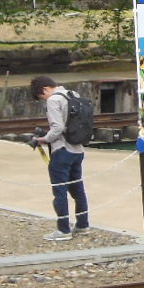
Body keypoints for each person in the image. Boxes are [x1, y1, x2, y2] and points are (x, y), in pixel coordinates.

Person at [29, 75, 88, 240]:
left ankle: (63, 230)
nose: (44, 99)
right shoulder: (73, 94)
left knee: (59, 191)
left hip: (62, 150)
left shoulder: (53, 100)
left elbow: (57, 127)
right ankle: (83, 224)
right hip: (78, 149)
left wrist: (42, 139)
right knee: (78, 189)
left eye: (42, 96)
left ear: (45, 89)